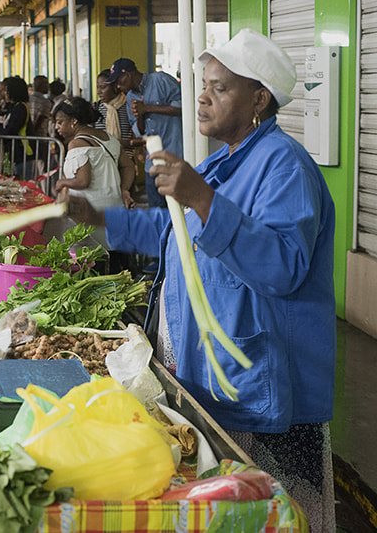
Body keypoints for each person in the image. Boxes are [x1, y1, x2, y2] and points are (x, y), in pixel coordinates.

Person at [67, 29, 335, 533]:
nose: (204, 96)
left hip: (264, 386)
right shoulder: (222, 161)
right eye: (204, 84)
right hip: (216, 380)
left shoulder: (284, 166)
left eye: (220, 87)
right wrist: (101, 219)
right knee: (227, 513)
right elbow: (173, 229)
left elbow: (283, 266)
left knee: (273, 515)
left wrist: (202, 198)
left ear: (259, 99)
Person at [106, 58, 182, 208]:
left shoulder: (160, 80)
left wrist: (147, 108)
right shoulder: (130, 97)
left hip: (176, 157)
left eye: (118, 82)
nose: (118, 87)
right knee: (156, 210)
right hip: (152, 163)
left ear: (126, 75)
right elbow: (139, 132)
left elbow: (183, 107)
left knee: (178, 209)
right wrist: (139, 114)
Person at [54, 97, 135, 211]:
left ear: (74, 121)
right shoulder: (109, 138)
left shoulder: (76, 144)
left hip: (91, 210)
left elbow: (83, 181)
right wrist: (124, 190)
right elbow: (128, 166)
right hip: (114, 205)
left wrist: (62, 182)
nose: (56, 127)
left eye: (60, 122)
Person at [0, 76, 35, 178]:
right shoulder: (11, 107)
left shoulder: (21, 108)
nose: (3, 93)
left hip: (23, 154)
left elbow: (10, 130)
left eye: (5, 90)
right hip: (12, 154)